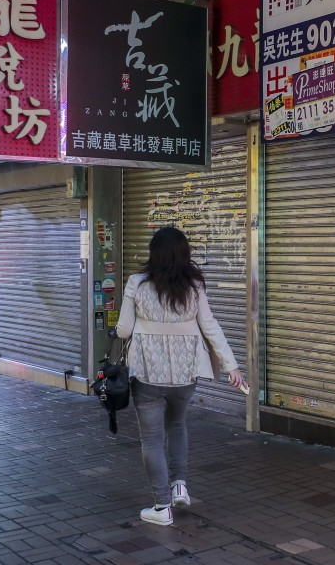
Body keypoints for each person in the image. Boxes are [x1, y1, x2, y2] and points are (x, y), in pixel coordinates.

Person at [115, 226, 245, 527]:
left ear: (153, 253)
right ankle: (180, 484)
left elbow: (123, 330)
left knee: (151, 438)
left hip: (147, 372)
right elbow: (210, 326)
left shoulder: (137, 282)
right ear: (185, 253)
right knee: (177, 425)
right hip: (187, 372)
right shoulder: (194, 284)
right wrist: (231, 366)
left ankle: (162, 507)